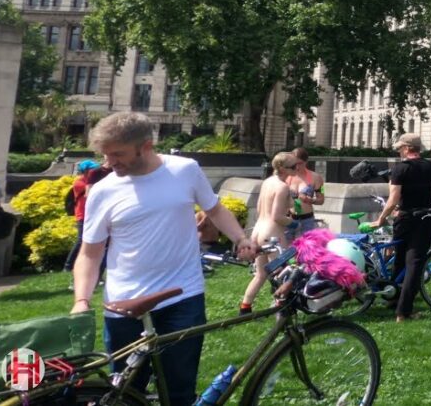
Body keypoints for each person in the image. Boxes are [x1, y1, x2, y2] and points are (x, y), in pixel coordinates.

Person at [71, 113, 256, 405]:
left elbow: (215, 210)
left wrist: (241, 238)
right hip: (125, 304)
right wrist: (81, 300)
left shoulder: (185, 170)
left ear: (145, 146)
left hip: (183, 298)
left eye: (117, 154)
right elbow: (90, 253)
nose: (109, 162)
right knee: (127, 393)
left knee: (179, 390)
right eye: (105, 155)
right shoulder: (103, 191)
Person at [368, 133, 431, 321]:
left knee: (400, 259)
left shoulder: (399, 169)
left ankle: (394, 299)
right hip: (424, 218)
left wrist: (381, 219)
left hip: (403, 219)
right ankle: (404, 311)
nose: (399, 151)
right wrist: (425, 191)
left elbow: (393, 199)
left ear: (406, 148)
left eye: (400, 148)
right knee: (415, 264)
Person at [239, 152, 297, 314]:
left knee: (260, 274)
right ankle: (281, 306)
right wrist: (293, 223)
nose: (296, 169)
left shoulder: (267, 182)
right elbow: (277, 216)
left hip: (258, 230)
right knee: (282, 273)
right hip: (273, 233)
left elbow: (259, 209)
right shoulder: (282, 186)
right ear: (282, 168)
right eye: (293, 166)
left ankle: (245, 307)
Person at [64, 160, 103, 274]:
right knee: (81, 240)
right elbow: (89, 192)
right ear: (85, 171)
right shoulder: (80, 183)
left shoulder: (91, 180)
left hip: (91, 214)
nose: (95, 171)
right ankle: (68, 265)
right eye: (92, 169)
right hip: (82, 215)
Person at [285, 147, 324, 240]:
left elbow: (321, 200)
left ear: (306, 162)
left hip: (307, 219)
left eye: (300, 163)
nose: (297, 167)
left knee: (306, 248)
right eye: (295, 163)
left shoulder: (317, 178)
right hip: (289, 218)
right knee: (285, 249)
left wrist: (310, 200)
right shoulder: (287, 176)